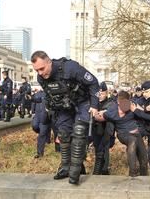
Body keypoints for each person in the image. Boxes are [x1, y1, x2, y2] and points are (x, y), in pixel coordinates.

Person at [31, 50, 99, 185]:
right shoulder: (41, 78)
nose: (40, 73)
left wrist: (95, 105)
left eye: (42, 69)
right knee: (63, 135)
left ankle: (75, 171)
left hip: (83, 103)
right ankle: (65, 167)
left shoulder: (70, 67)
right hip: (64, 106)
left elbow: (94, 83)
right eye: (36, 70)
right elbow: (49, 93)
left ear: (49, 62)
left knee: (79, 133)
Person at [94, 90, 148, 177]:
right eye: (121, 103)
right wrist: (96, 113)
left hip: (137, 134)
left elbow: (144, 113)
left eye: (126, 103)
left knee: (144, 158)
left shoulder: (133, 105)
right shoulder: (112, 111)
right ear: (118, 102)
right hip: (123, 135)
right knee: (132, 141)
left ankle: (144, 178)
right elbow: (99, 117)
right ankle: (132, 174)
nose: (124, 106)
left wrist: (136, 109)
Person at [92, 82, 116, 175]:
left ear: (106, 93)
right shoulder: (95, 103)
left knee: (104, 150)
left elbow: (110, 112)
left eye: (102, 93)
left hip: (107, 131)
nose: (100, 95)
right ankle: (99, 169)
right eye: (99, 93)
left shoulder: (110, 102)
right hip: (97, 131)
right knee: (98, 150)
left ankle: (104, 170)